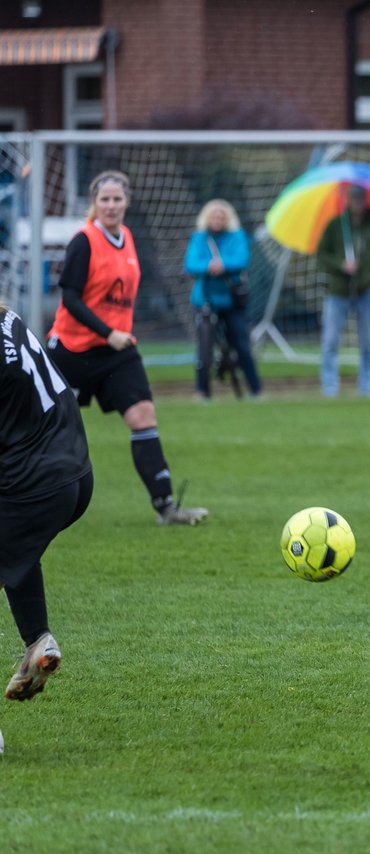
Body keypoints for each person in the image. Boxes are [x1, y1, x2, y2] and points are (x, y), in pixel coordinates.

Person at [45, 170, 208, 526]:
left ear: (127, 202)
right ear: (94, 202)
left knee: (143, 417)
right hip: (71, 350)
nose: (111, 205)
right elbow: (70, 297)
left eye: (117, 199)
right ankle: (32, 504)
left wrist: (114, 335)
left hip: (116, 350)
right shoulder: (84, 240)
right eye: (104, 199)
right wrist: (107, 331)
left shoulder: (128, 237)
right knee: (47, 425)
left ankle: (166, 508)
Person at [1, 302, 94, 713]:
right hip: (75, 471)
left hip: (35, 484)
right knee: (13, 547)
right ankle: (38, 639)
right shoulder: (7, 316)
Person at [184, 199, 263, 400]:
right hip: (206, 301)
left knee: (242, 345)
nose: (217, 220)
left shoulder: (236, 236)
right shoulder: (199, 238)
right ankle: (202, 391)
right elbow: (191, 264)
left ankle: (256, 389)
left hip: (232, 302)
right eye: (214, 216)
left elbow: (242, 259)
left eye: (221, 216)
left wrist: (223, 264)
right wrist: (209, 266)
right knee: (204, 349)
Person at [316, 185, 370, 398]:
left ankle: (367, 387)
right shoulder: (335, 226)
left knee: (367, 342)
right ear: (347, 200)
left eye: (361, 199)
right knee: (330, 341)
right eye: (354, 199)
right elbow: (322, 255)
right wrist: (341, 265)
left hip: (366, 292)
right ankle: (330, 387)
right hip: (338, 292)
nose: (357, 203)